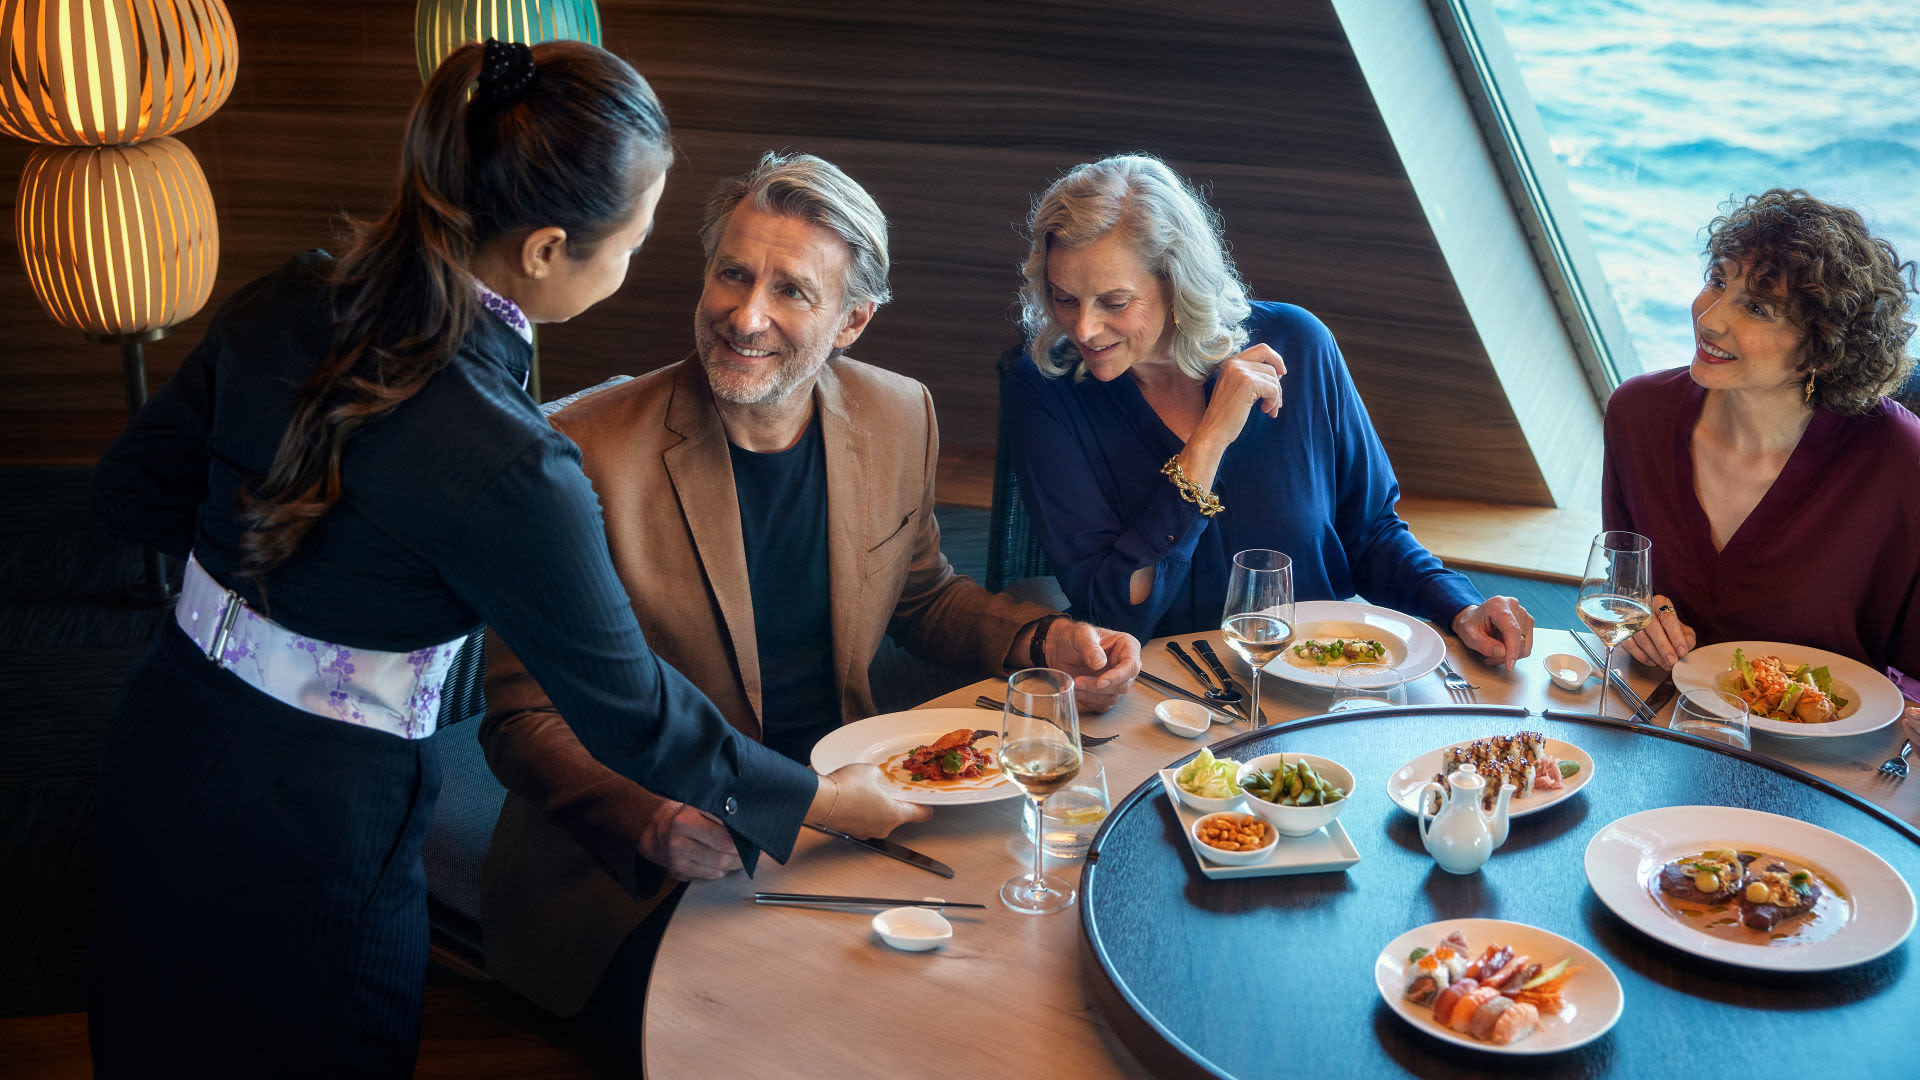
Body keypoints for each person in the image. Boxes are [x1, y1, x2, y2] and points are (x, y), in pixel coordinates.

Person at [86, 44, 918, 1077]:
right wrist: (826, 802)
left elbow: (132, 493)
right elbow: (637, 718)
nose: (644, 257)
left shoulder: (291, 292)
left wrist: (276, 597)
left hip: (164, 738)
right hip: (324, 821)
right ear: (547, 250)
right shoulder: (518, 463)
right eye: (640, 232)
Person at [475, 151, 1142, 1042]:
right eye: (733, 274)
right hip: (655, 870)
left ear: (852, 320)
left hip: (849, 814)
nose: (745, 316)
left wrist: (1042, 641)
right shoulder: (577, 454)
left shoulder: (900, 413)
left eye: (792, 290)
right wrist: (650, 821)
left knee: (1022, 978)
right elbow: (520, 717)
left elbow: (923, 597)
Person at [1003, 154, 1533, 664]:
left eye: (1114, 303)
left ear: (1176, 281)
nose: (1084, 328)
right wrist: (1210, 439)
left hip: (1326, 682)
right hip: (1169, 707)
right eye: (1064, 297)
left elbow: (1370, 534)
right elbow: (1115, 611)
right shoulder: (1046, 389)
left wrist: (1459, 607)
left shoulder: (1299, 343)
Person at [1603, 188, 1920, 699]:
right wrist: (1640, 619)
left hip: (1828, 758)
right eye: (1717, 280)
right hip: (1658, 722)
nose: (1708, 318)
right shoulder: (1636, 415)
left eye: (1756, 307)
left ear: (1823, 349)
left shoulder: (1902, 461)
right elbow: (1621, 590)